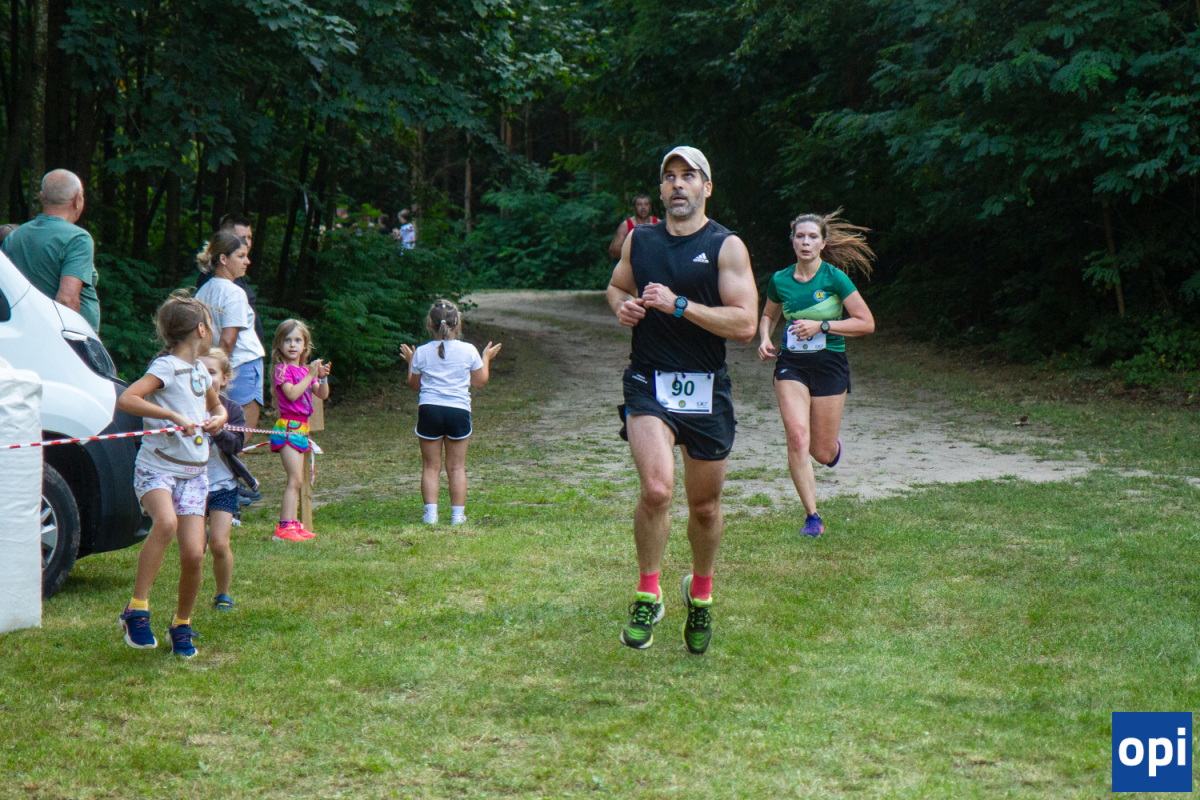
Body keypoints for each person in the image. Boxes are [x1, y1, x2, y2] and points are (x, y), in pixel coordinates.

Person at [605, 146, 757, 655]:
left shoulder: (725, 246)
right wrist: (623, 306)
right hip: (648, 381)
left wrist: (680, 305)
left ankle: (701, 592)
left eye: (688, 175)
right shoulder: (641, 239)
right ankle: (648, 594)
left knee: (705, 507)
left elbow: (745, 323)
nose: (677, 184)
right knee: (656, 490)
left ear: (706, 187)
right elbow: (616, 286)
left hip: (705, 387)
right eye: (669, 176)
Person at [114, 291, 228, 658]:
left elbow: (218, 407)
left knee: (194, 554)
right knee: (165, 523)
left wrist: (218, 419)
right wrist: (171, 416)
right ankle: (136, 609)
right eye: (209, 324)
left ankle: (182, 624)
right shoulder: (165, 367)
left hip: (194, 474)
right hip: (157, 468)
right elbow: (127, 399)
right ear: (200, 330)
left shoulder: (200, 371)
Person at [757, 209, 876, 537]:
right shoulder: (780, 280)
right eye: (800, 236)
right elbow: (769, 315)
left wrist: (822, 325)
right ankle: (812, 516)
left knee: (821, 452)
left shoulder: (835, 278)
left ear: (823, 243)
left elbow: (866, 323)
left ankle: (831, 447)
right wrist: (764, 337)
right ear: (792, 241)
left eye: (812, 237)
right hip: (791, 364)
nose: (806, 242)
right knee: (797, 436)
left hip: (829, 364)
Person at [399, 300, 501, 526]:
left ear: (430, 324)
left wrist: (411, 362)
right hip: (458, 412)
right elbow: (480, 382)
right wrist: (486, 358)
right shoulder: (469, 350)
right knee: (456, 467)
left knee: (430, 467)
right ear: (458, 323)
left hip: (430, 411)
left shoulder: (422, 352)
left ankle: (430, 515)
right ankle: (457, 516)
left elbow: (414, 385)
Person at [0, 169, 100, 332]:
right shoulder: (78, 239)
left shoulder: (14, 236)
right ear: (77, 199)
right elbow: (67, 301)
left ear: (42, 197)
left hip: (24, 329)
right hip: (63, 337)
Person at [196, 214, 266, 431]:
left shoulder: (202, 291)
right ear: (224, 259)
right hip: (240, 367)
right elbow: (227, 341)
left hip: (214, 368)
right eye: (241, 256)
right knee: (239, 435)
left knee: (218, 430)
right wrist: (221, 375)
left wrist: (209, 372)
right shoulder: (235, 293)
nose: (247, 261)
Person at [269, 319, 331, 542]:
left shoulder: (305, 371)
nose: (293, 345)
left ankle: (293, 525)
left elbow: (322, 394)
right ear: (279, 344)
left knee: (298, 481)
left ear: (305, 345)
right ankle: (284, 529)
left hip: (301, 430)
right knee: (294, 479)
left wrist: (322, 377)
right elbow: (292, 394)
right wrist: (310, 374)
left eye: (297, 340)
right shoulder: (281, 370)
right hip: (287, 429)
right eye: (287, 340)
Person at [198, 347, 248, 612]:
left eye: (212, 372)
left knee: (219, 544)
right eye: (200, 371)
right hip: (191, 485)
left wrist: (218, 431)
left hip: (223, 486)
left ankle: (223, 594)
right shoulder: (186, 406)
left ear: (225, 378)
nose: (205, 378)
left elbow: (235, 445)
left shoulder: (232, 410)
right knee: (195, 547)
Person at [607, 194, 660, 259]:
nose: (643, 207)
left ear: (650, 206)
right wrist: (636, 252)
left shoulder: (658, 224)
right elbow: (613, 251)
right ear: (634, 207)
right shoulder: (626, 226)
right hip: (632, 264)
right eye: (639, 204)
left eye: (646, 204)